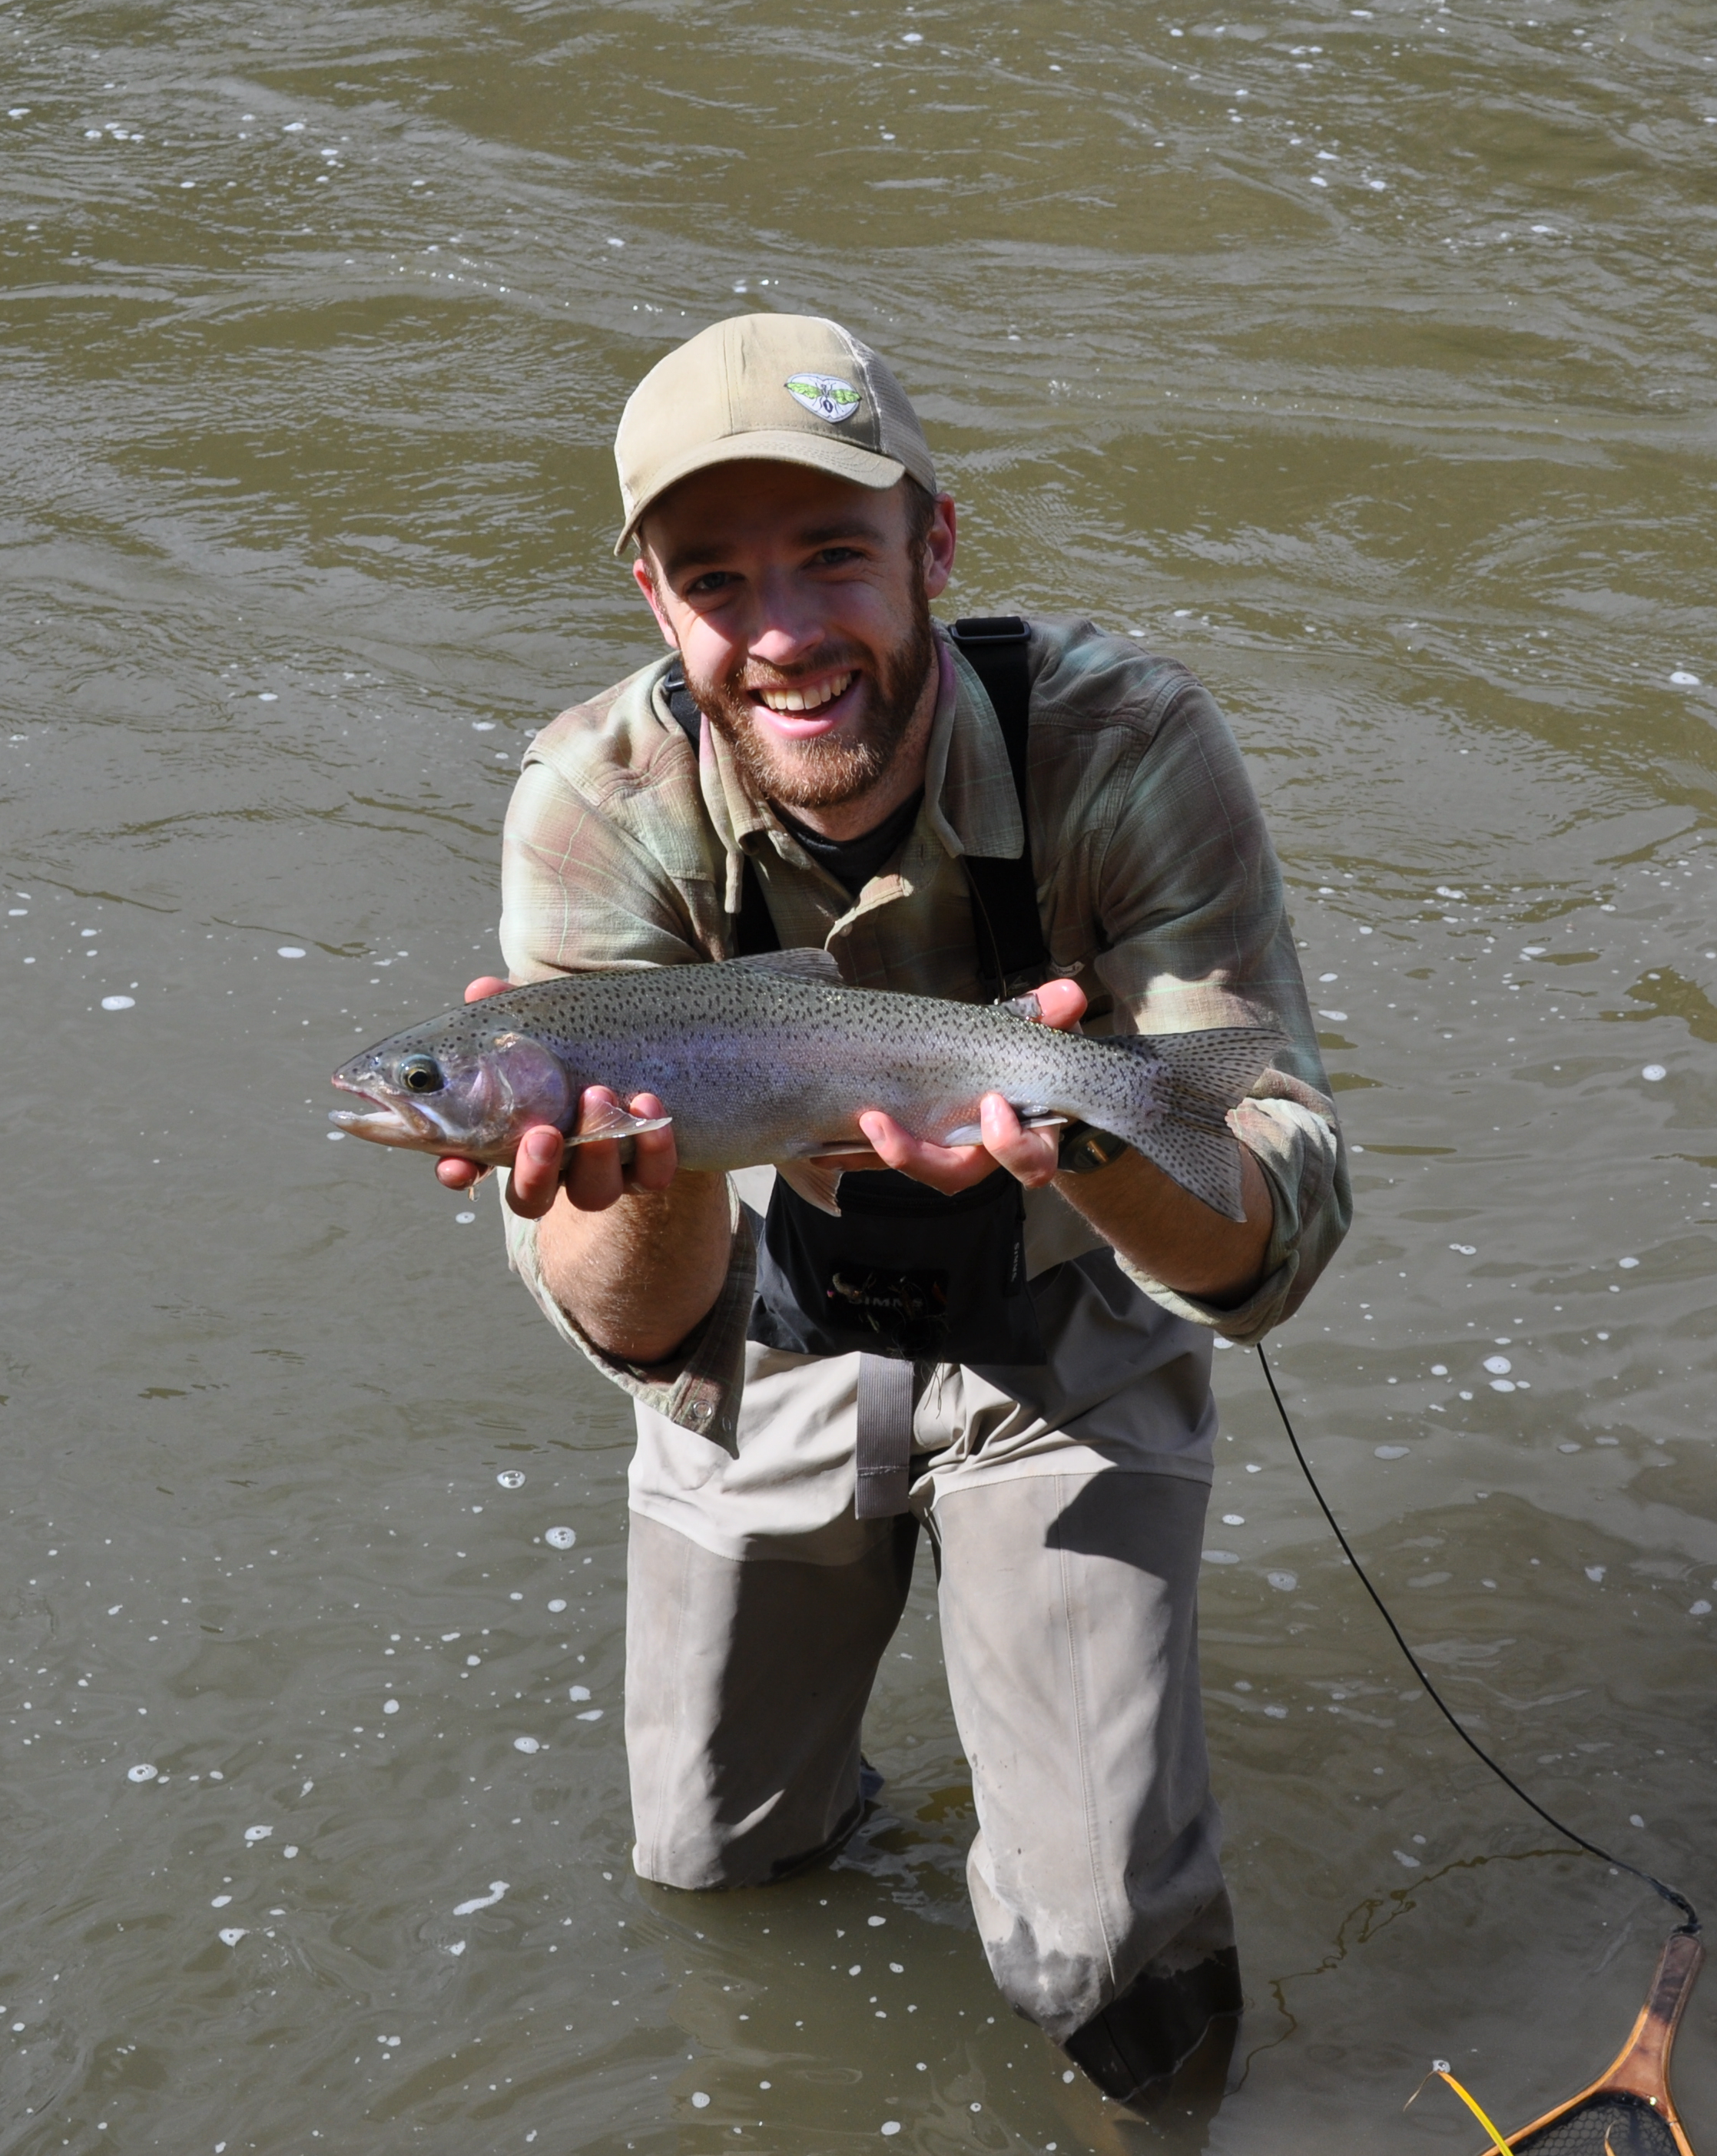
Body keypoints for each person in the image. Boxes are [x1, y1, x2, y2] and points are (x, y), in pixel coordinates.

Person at [433, 313, 1350, 2104]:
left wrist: (1072, 1133)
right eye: (718, 579)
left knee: (1104, 1961)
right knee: (711, 1858)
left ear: (934, 543)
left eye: (834, 556)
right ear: (651, 598)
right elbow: (633, 1326)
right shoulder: (589, 803)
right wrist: (630, 1182)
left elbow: (1281, 1236)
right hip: (760, 1312)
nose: (782, 633)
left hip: (1077, 1312)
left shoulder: (1129, 740)